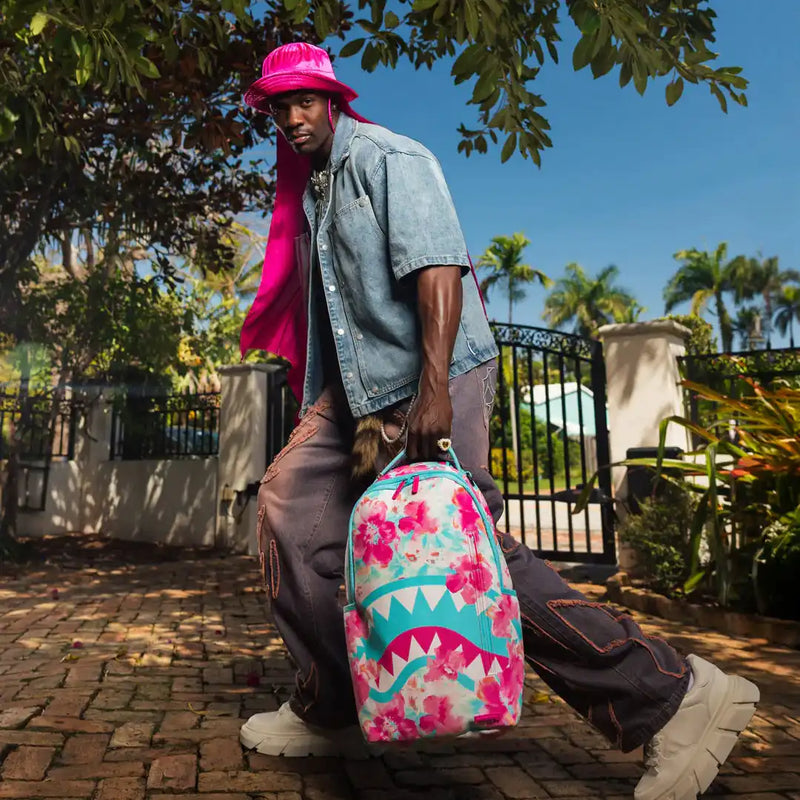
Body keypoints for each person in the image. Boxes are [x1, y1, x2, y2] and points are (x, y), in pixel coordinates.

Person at [237, 42, 758, 800]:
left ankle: (671, 699)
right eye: (278, 106)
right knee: (289, 509)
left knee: (456, 549)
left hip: (428, 374)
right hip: (355, 394)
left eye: (304, 100)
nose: (291, 117)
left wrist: (435, 387)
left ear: (333, 100)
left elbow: (438, 266)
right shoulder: (317, 188)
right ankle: (334, 704)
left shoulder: (389, 157)